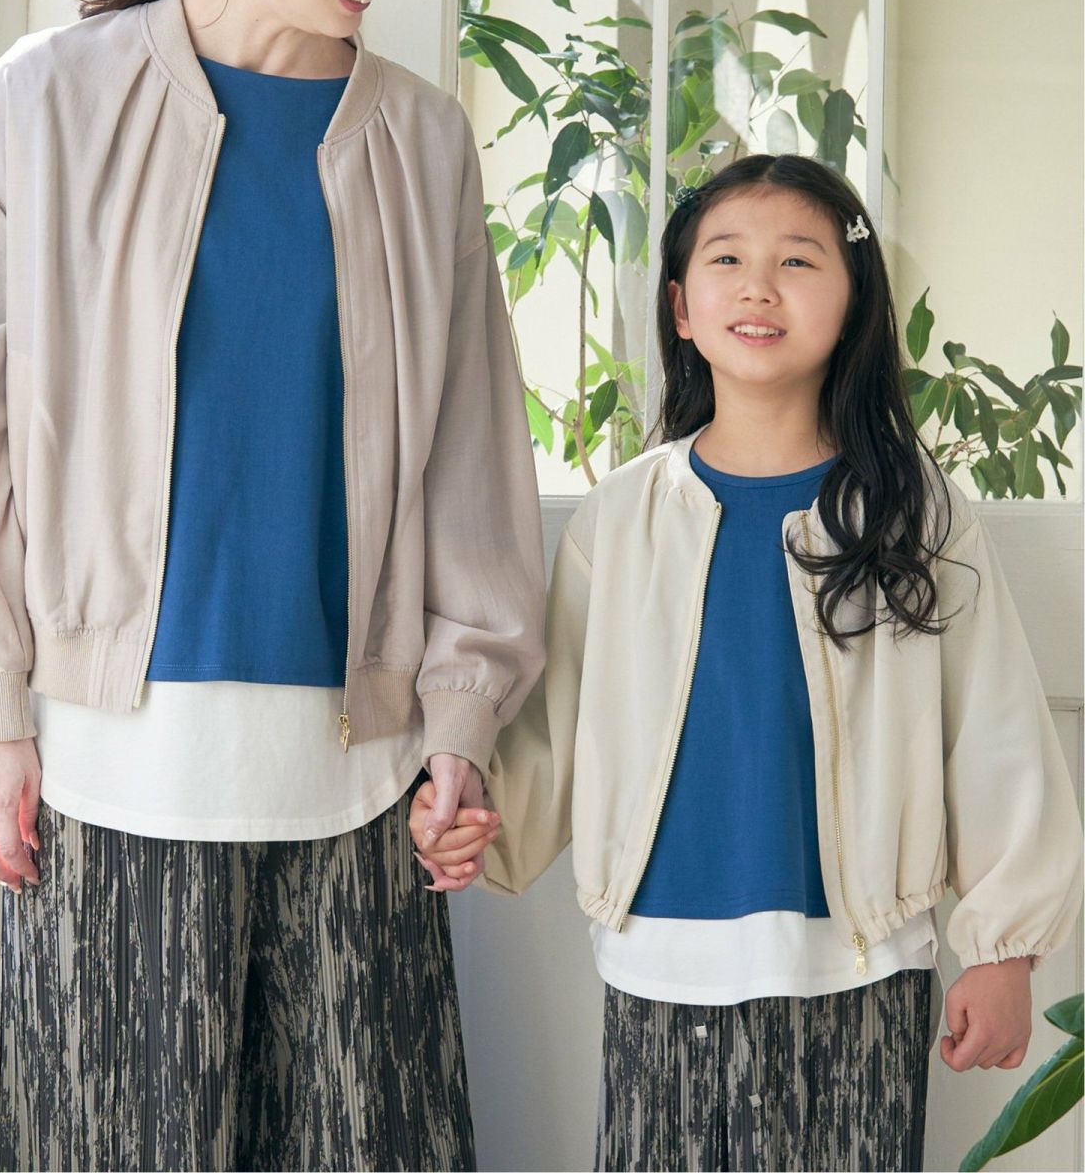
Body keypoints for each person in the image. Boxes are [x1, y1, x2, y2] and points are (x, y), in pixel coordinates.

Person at [0, 0, 545, 1168]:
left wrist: (462, 726)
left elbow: (472, 460)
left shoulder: (425, 142)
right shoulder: (45, 103)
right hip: (105, 773)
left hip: (364, 777)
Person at [412, 153, 1083, 1172]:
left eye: (799, 261)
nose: (760, 286)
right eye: (727, 259)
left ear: (853, 306)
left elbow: (993, 734)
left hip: (862, 966)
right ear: (682, 308)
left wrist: (1004, 951)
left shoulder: (914, 513)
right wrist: (480, 820)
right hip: (659, 967)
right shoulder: (622, 517)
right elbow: (559, 722)